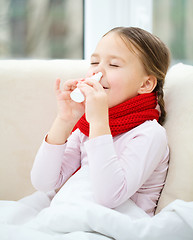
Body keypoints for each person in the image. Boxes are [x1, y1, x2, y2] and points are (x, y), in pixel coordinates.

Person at [31, 27, 170, 217]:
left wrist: (99, 123)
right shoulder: (86, 128)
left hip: (119, 225)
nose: (97, 70)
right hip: (75, 216)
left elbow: (109, 197)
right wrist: (65, 120)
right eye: (94, 62)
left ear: (145, 84)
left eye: (114, 65)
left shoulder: (149, 134)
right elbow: (43, 182)